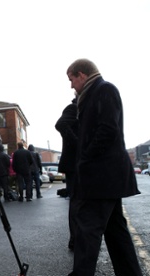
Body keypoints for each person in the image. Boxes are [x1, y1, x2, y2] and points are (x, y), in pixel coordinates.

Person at [66, 59, 142, 276]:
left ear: (82, 75)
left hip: (102, 176)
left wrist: (86, 158)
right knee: (115, 231)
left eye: (71, 79)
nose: (71, 85)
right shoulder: (92, 94)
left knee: (87, 230)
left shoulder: (104, 90)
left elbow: (109, 129)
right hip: (106, 177)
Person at [55, 97, 78, 250]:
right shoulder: (74, 107)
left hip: (78, 164)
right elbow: (60, 124)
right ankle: (75, 240)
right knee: (77, 203)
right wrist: (78, 142)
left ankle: (76, 239)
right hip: (75, 164)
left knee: (79, 203)